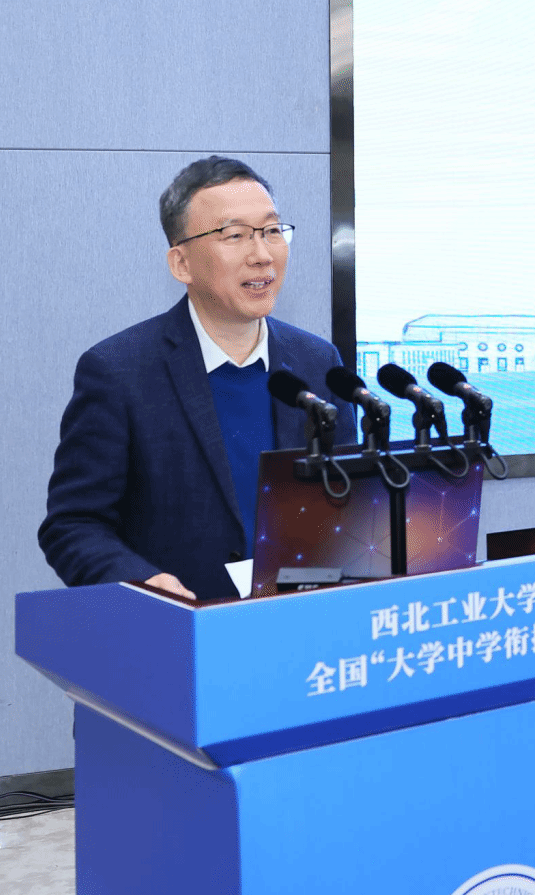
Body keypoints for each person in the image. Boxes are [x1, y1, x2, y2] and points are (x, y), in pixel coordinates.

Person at [38, 156, 346, 601]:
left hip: (302, 620)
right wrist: (141, 584)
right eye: (235, 236)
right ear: (181, 263)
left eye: (272, 231)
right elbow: (73, 524)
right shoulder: (119, 372)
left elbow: (346, 502)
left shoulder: (318, 363)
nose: (262, 255)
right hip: (182, 629)